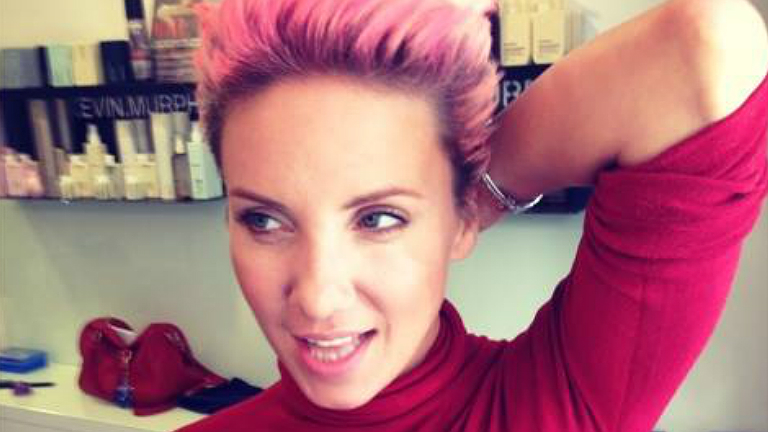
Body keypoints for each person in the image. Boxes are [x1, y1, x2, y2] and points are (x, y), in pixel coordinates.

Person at [177, 0, 768, 430]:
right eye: (264, 220)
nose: (317, 298)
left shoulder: (554, 408)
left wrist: (471, 191)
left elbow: (706, 50)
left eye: (378, 218)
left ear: (460, 219)